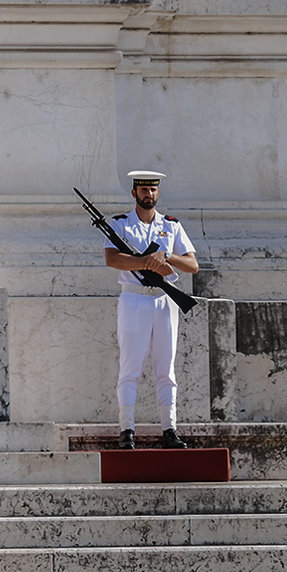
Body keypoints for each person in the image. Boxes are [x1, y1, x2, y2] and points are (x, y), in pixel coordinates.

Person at [103, 170, 198, 450]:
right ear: (134, 193)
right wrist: (146, 262)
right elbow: (112, 259)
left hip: (164, 299)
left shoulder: (171, 226)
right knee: (130, 366)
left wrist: (165, 256)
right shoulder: (121, 224)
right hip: (134, 299)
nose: (149, 194)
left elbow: (192, 265)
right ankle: (127, 430)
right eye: (144, 190)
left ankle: (169, 429)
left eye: (153, 190)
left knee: (165, 368)